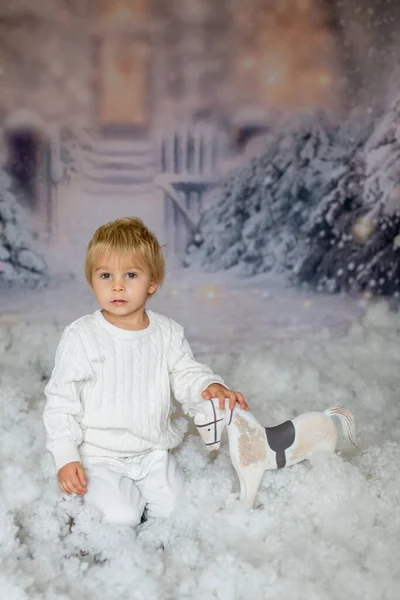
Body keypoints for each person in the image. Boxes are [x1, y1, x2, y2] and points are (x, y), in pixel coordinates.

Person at [43, 217, 248, 527]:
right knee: (119, 516)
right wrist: (66, 455)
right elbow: (61, 401)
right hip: (99, 455)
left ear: (152, 283)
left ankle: (151, 506)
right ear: (92, 280)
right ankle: (106, 511)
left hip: (153, 452)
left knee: (179, 514)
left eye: (131, 274)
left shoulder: (166, 332)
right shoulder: (82, 335)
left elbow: (186, 372)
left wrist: (210, 385)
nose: (117, 285)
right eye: (105, 275)